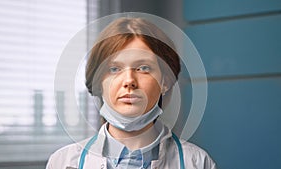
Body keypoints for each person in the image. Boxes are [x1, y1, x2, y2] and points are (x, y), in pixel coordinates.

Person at [46, 17, 216, 169]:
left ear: (164, 81)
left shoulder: (198, 163)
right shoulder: (63, 162)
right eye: (114, 69)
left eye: (143, 68)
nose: (129, 80)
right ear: (99, 83)